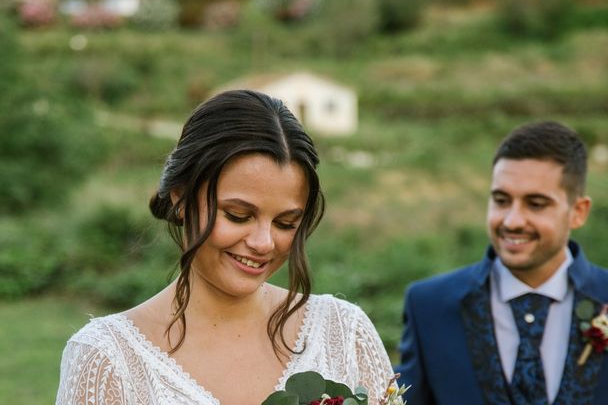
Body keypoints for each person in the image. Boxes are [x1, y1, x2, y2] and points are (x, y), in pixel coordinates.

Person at [56, 90, 396, 405]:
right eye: (238, 216)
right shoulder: (107, 359)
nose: (264, 243)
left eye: (285, 223)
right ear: (181, 199)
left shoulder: (345, 333)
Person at [395, 120, 608, 405]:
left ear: (578, 212)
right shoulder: (428, 306)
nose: (512, 221)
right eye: (501, 200)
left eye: (536, 203)